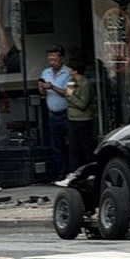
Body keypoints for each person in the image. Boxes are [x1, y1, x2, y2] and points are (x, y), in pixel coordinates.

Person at [56, 60, 97, 187]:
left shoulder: (85, 84)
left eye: (70, 69)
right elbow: (67, 95)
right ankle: (73, 175)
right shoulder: (71, 82)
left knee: (86, 148)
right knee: (73, 149)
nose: (68, 71)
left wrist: (71, 96)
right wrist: (68, 95)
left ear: (75, 70)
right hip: (72, 118)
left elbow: (82, 104)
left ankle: (92, 173)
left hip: (83, 119)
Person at [39, 44, 72, 181]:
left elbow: (69, 94)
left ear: (61, 58)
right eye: (50, 59)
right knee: (56, 147)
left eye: (55, 59)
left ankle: (72, 173)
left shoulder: (69, 73)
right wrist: (42, 88)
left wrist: (52, 87)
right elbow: (42, 94)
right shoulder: (45, 73)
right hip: (52, 114)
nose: (52, 62)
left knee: (72, 146)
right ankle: (60, 174)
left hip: (67, 114)